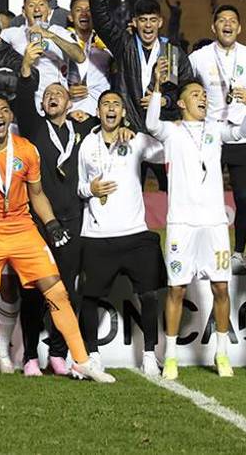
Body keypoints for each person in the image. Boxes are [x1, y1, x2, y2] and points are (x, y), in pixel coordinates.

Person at [0, 92, 115, 388]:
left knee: (58, 293)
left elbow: (37, 194)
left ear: (11, 116)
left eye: (4, 110)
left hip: (22, 229)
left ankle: (82, 361)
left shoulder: (27, 150)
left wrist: (51, 224)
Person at [146, 73, 246, 380]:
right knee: (176, 289)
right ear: (181, 104)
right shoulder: (172, 131)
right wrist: (157, 88)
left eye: (204, 95)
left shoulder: (215, 129)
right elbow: (151, 124)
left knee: (221, 287)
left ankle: (222, 353)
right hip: (181, 223)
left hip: (214, 223)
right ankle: (170, 357)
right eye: (195, 94)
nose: (203, 98)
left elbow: (241, 132)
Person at [76, 90, 167, 376]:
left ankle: (150, 354)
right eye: (105, 104)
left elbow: (164, 151)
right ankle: (92, 355)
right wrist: (90, 189)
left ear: (123, 112)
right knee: (89, 297)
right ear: (98, 112)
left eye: (116, 104)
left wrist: (141, 131)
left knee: (149, 295)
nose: (111, 108)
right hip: (97, 235)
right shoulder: (87, 144)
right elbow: (79, 186)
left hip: (135, 234)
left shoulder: (135, 141)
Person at [89, 0, 196, 190]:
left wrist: (166, 100)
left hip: (162, 132)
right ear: (135, 22)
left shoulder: (172, 53)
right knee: (127, 188)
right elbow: (103, 21)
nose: (148, 25)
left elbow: (187, 89)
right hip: (130, 129)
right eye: (143, 20)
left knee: (171, 191)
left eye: (152, 20)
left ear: (160, 22)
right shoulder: (124, 46)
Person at [188, 5, 246, 275]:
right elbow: (183, 85)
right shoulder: (199, 57)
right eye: (222, 20)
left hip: (243, 136)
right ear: (214, 27)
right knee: (203, 198)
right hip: (210, 137)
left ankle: (237, 255)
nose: (227, 24)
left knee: (243, 198)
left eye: (233, 20)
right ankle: (202, 254)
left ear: (240, 27)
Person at [63, 0, 112, 116]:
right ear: (70, 17)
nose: (84, 13)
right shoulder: (62, 40)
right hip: (70, 111)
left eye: (88, 10)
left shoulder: (107, 40)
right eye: (78, 10)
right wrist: (65, 90)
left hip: (100, 112)